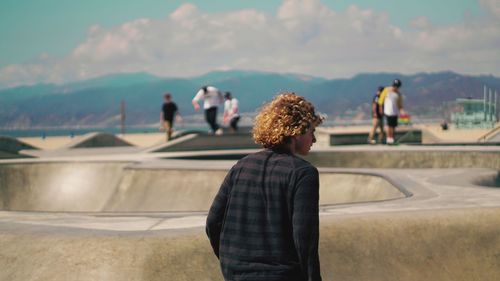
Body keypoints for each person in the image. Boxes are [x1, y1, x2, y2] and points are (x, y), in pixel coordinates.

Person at [206, 93, 323, 281]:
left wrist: (232, 260)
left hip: (235, 272)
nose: (314, 139)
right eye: (312, 131)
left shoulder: (242, 166)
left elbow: (213, 222)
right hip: (281, 275)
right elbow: (305, 238)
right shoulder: (303, 173)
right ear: (296, 131)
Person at [378, 79, 404, 144]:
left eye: (397, 86)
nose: (395, 88)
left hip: (395, 112)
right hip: (388, 111)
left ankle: (392, 137)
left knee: (393, 126)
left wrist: (401, 111)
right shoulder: (386, 90)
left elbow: (400, 104)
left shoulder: (398, 94)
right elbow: (381, 100)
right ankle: (389, 138)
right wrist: (381, 109)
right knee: (389, 125)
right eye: (395, 86)